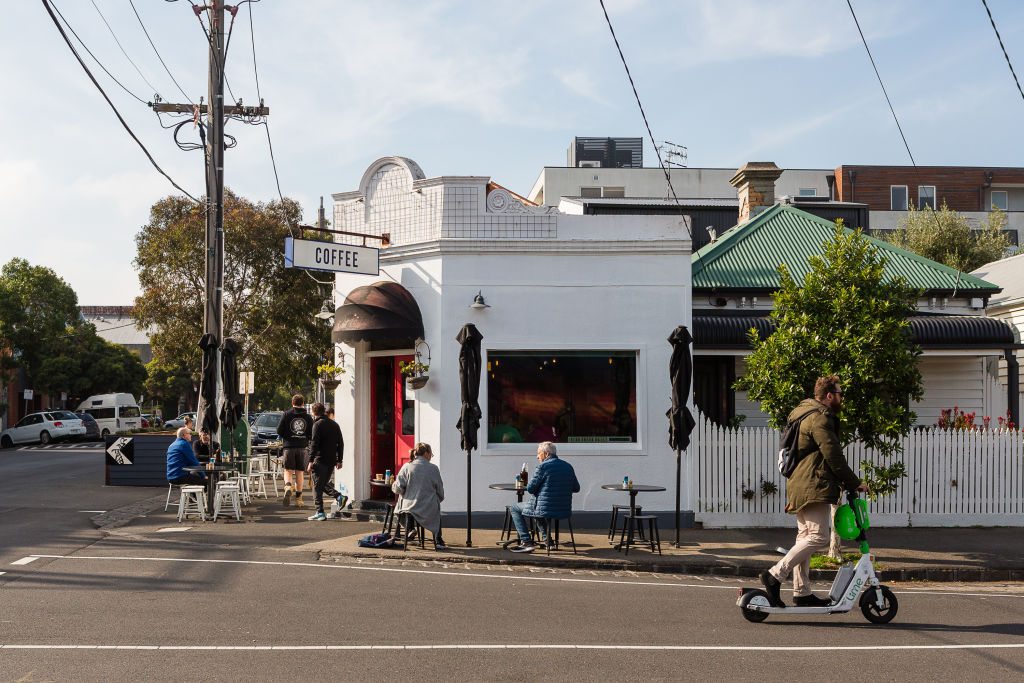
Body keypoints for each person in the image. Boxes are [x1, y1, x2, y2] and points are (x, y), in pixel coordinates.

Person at [761, 375, 870, 607]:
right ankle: (774, 575)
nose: (842, 398)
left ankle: (802, 593)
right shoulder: (820, 418)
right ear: (829, 396)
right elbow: (833, 454)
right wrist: (853, 482)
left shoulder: (802, 414)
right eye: (840, 394)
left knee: (804, 538)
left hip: (800, 484)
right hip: (813, 484)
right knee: (818, 537)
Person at [507, 441, 579, 553]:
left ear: (546, 454)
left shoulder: (543, 467)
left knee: (514, 508)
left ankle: (526, 542)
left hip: (545, 508)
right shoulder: (568, 466)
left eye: (539, 453)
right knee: (538, 509)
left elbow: (530, 489)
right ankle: (548, 542)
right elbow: (576, 488)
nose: (537, 456)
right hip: (563, 509)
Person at [391, 443, 447, 550]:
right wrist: (435, 501)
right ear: (426, 454)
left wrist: (394, 484)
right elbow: (440, 492)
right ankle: (438, 538)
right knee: (436, 507)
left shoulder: (407, 466)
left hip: (410, 508)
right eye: (431, 454)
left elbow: (398, 489)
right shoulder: (434, 468)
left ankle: (410, 528)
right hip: (429, 508)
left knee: (406, 504)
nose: (431, 456)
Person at [305, 402, 347, 521]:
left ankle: (320, 512)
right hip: (331, 460)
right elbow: (341, 443)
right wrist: (340, 460)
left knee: (317, 487)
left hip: (320, 459)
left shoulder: (317, 425)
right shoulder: (335, 424)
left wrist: (310, 460)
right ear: (324, 411)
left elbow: (314, 444)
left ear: (313, 413)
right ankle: (339, 497)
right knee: (322, 484)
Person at [277, 394, 313, 507]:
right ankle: (299, 500)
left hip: (289, 447)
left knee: (288, 470)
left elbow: (279, 430)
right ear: (302, 404)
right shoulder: (308, 417)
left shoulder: (286, 414)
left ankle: (288, 486)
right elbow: (312, 433)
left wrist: (287, 437)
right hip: (302, 447)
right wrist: (305, 438)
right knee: (299, 473)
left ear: (292, 403)